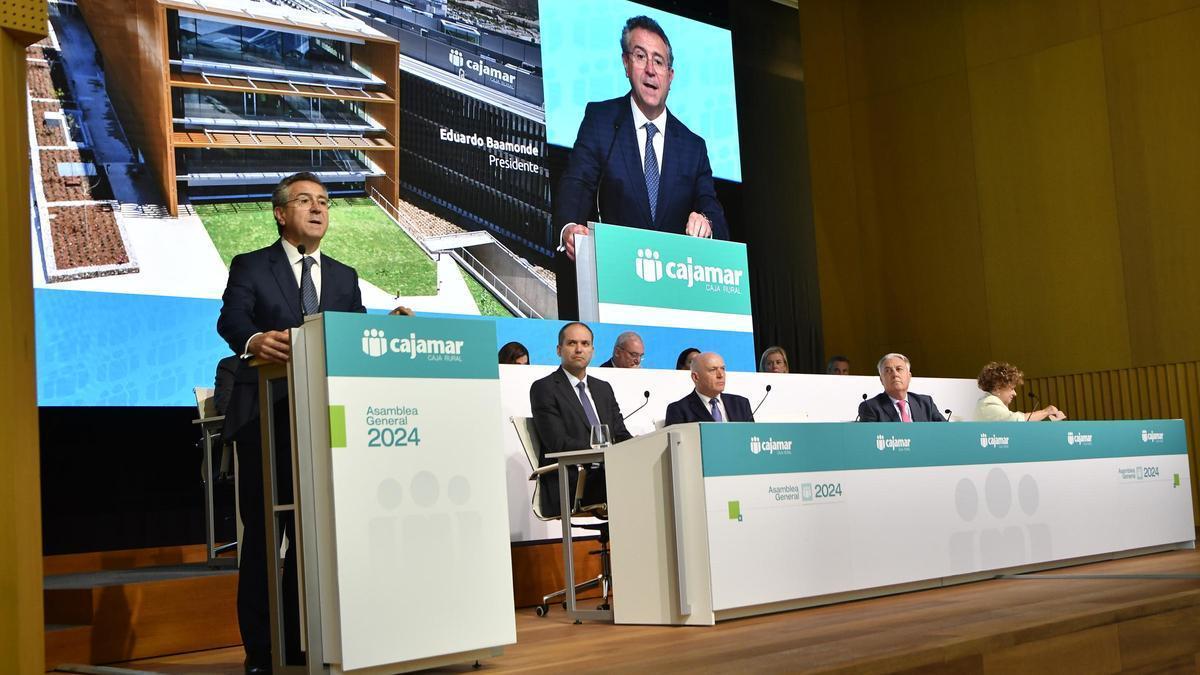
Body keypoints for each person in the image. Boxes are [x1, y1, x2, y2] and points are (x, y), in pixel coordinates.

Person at [216, 172, 376, 674]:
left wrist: (386, 325)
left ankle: (303, 643)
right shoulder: (251, 265)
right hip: (266, 416)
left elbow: (355, 334)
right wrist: (254, 340)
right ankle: (264, 654)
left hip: (324, 421)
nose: (318, 209)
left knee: (315, 537)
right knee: (268, 537)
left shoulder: (345, 276)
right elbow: (231, 319)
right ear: (281, 213)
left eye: (325, 202)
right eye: (305, 201)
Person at [553, 15, 729, 318]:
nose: (650, 69)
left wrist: (707, 223)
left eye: (659, 62)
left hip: (676, 296)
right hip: (612, 286)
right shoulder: (601, 120)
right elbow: (577, 183)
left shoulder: (693, 145)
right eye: (640, 56)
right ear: (625, 63)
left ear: (671, 75)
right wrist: (569, 228)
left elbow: (712, 210)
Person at [529, 322, 633, 517]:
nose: (579, 349)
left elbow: (620, 433)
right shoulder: (545, 388)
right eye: (572, 343)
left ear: (592, 350)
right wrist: (606, 453)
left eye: (585, 343)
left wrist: (641, 448)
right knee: (633, 484)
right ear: (559, 349)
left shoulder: (603, 389)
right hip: (574, 481)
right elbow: (558, 443)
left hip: (608, 473)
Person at [665, 352, 753, 424]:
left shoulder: (741, 404)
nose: (720, 375)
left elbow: (751, 437)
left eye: (722, 369)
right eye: (713, 370)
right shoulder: (679, 410)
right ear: (695, 377)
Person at [858, 353, 946, 422]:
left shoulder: (926, 403)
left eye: (899, 369)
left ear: (909, 376)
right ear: (881, 380)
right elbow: (870, 440)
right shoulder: (870, 407)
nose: (895, 374)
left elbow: (946, 431)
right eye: (888, 371)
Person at [974, 361, 1066, 421]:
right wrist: (1046, 412)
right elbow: (1015, 420)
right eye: (1012, 389)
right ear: (998, 387)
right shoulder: (988, 403)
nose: (1015, 393)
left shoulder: (993, 403)